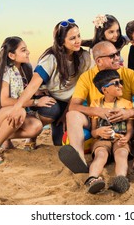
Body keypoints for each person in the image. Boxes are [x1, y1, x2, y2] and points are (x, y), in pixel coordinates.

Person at [58, 40, 134, 174]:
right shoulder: (86, 77)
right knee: (72, 115)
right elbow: (73, 106)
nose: (118, 58)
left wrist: (129, 113)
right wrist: (96, 111)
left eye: (117, 54)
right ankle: (79, 158)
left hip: (126, 125)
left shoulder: (129, 74)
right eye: (112, 56)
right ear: (99, 61)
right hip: (99, 124)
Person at [6, 19, 91, 148]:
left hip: (69, 103)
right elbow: (33, 85)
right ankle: (31, 136)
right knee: (52, 110)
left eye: (79, 36)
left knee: (59, 143)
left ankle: (58, 120)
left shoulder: (83, 57)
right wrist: (18, 106)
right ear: (62, 42)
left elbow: (81, 87)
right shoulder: (51, 58)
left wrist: (68, 111)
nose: (78, 40)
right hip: (49, 100)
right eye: (72, 38)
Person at [0, 36, 44, 165]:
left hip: (7, 114)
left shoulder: (25, 70)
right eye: (23, 50)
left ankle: (6, 140)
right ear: (12, 55)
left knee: (37, 127)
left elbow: (24, 91)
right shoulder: (5, 71)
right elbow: (4, 101)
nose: (28, 52)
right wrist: (34, 102)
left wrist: (40, 93)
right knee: (19, 111)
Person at [85, 69, 134, 194]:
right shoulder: (96, 104)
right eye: (116, 83)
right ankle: (92, 179)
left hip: (120, 139)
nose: (121, 86)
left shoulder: (127, 104)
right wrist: (98, 132)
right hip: (102, 140)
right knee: (101, 155)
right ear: (105, 89)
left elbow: (130, 127)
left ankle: (121, 179)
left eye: (120, 82)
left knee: (122, 154)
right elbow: (93, 131)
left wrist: (127, 137)